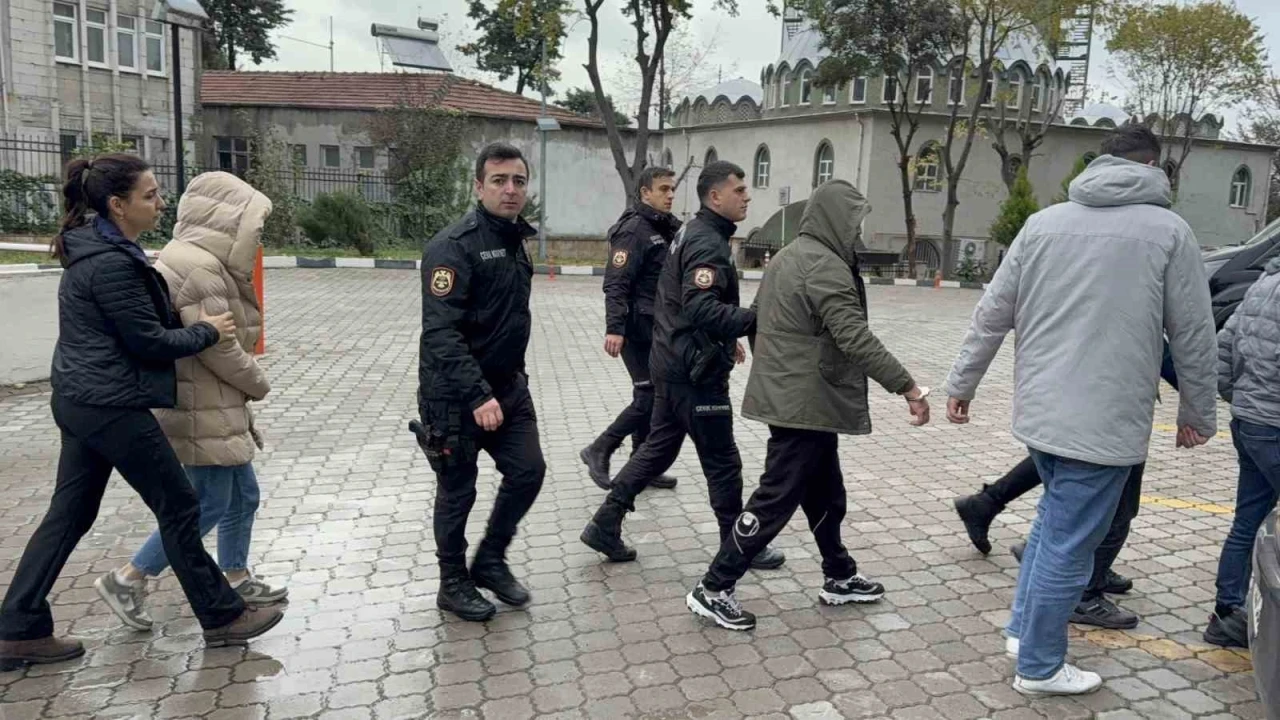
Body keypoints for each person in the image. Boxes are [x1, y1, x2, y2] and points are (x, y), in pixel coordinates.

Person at [942, 126, 1218, 697]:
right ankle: (1041, 667)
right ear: (1152, 166)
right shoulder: (1169, 231)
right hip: (1104, 421)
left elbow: (992, 312)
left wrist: (962, 383)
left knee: (1051, 527)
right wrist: (1199, 410)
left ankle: (1022, 631)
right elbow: (1193, 331)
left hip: (1042, 415)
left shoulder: (1043, 224)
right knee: (1070, 545)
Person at [0, 156, 283, 671]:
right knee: (180, 505)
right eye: (149, 195)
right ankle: (222, 615)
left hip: (84, 399)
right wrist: (207, 331)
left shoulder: (103, 252)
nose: (160, 203)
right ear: (118, 205)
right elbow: (148, 341)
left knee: (70, 514)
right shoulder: (111, 264)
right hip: (109, 404)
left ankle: (18, 628)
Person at [686, 180, 931, 631]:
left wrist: (777, 372)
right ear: (836, 219)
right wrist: (908, 387)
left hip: (800, 396)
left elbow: (758, 321)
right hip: (803, 401)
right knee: (775, 498)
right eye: (854, 222)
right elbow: (854, 337)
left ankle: (839, 574)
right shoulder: (825, 266)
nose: (857, 232)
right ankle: (714, 586)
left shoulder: (788, 256)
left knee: (826, 494)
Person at [95, 171, 287, 632]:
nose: (258, 234)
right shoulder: (198, 266)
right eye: (254, 225)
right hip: (199, 403)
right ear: (228, 220)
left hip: (213, 401)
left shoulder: (202, 258)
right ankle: (129, 577)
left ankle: (236, 576)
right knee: (207, 503)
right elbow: (216, 344)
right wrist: (257, 382)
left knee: (243, 494)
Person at [579, 161, 784, 571]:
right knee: (723, 461)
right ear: (715, 197)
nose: (747, 196)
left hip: (674, 361)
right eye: (739, 190)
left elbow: (683, 301)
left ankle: (605, 523)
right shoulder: (705, 241)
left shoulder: (691, 231)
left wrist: (728, 336)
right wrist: (753, 320)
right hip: (695, 371)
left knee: (658, 449)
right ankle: (737, 546)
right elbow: (699, 306)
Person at [954, 347, 1182, 631]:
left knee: (1071, 468)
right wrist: (1198, 395)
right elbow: (1156, 343)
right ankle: (1083, 590)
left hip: (1083, 388)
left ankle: (992, 508)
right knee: (1109, 499)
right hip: (1106, 394)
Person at [414, 142, 545, 622]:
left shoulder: (515, 240)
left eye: (518, 181)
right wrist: (477, 393)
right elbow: (441, 333)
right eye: (499, 180)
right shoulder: (453, 247)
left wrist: (510, 383)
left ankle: (490, 559)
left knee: (529, 470)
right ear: (478, 186)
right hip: (455, 396)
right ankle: (452, 583)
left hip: (507, 388)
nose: (510, 190)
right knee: (458, 491)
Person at [580, 166, 683, 491]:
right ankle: (600, 448)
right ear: (645, 193)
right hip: (635, 329)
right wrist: (615, 328)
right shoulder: (634, 230)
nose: (670, 195)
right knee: (649, 395)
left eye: (672, 189)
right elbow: (616, 283)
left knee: (653, 395)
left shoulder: (665, 227)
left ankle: (642, 466)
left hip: (657, 328)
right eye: (663, 189)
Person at [1204, 254, 1280, 649]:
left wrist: (1239, 398)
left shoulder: (1262, 284)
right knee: (1250, 520)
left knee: (1247, 520)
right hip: (1273, 424)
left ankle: (1226, 612)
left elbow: (1223, 346)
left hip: (1251, 421)